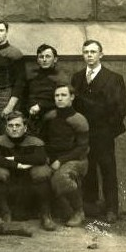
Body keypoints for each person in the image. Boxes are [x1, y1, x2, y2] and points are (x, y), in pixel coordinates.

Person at [71, 40, 126, 223]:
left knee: (108, 170)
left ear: (101, 55)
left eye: (93, 52)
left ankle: (112, 209)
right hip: (84, 133)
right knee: (88, 170)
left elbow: (121, 109)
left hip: (104, 132)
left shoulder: (113, 78)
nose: (90, 55)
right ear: (82, 55)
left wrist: (108, 130)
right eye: (86, 52)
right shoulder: (77, 78)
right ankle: (91, 206)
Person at [0, 111, 55, 231]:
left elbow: (40, 158)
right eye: (10, 125)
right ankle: (5, 213)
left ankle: (45, 215)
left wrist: (15, 158)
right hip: (9, 181)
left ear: (25, 127)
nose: (14, 129)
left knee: (42, 174)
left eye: (17, 125)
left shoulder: (35, 141)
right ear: (6, 128)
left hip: (30, 182)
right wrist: (17, 165)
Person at [41, 85, 89, 227]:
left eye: (63, 95)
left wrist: (60, 161)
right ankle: (46, 214)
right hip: (52, 158)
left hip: (76, 160)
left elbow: (82, 148)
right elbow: (43, 140)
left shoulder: (79, 120)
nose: (60, 98)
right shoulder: (50, 117)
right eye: (57, 96)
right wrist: (47, 157)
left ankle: (79, 211)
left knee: (61, 177)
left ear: (72, 97)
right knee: (40, 174)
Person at [26, 44, 67, 134]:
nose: (44, 60)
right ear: (37, 60)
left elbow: (63, 100)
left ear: (55, 59)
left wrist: (40, 106)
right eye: (41, 57)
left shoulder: (61, 77)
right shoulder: (31, 76)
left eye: (48, 56)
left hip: (52, 114)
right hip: (30, 115)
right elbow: (25, 97)